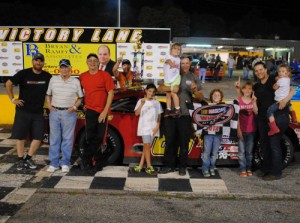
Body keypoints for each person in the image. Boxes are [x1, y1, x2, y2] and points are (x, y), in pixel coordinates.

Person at [5, 53, 52, 170]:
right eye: (36, 60)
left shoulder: (47, 76)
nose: (38, 62)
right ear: (33, 61)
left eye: (41, 61)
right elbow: (8, 83)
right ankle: (20, 159)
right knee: (20, 137)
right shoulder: (24, 73)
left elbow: (52, 91)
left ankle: (28, 158)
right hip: (23, 111)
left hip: (38, 112)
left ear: (43, 63)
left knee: (39, 137)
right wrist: (12, 99)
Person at [159, 55, 204, 176]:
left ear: (190, 64)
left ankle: (182, 166)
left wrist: (194, 90)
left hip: (184, 115)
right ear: (179, 64)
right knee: (169, 141)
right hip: (170, 114)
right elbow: (160, 88)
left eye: (186, 63)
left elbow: (200, 97)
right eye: (182, 63)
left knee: (183, 142)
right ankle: (168, 165)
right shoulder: (171, 73)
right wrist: (171, 87)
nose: (184, 65)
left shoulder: (193, 77)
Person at [252, 61, 295, 181]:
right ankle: (267, 170)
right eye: (256, 70)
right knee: (265, 145)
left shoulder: (275, 79)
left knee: (274, 144)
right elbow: (253, 100)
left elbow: (292, 90)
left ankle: (276, 173)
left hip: (278, 117)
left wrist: (285, 100)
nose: (259, 72)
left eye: (261, 69)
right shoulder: (256, 86)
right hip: (262, 119)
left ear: (266, 69)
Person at [79, 53, 115, 174]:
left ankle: (85, 158)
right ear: (87, 62)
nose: (92, 62)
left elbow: (111, 93)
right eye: (90, 61)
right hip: (89, 111)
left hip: (102, 112)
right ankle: (96, 163)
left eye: (95, 60)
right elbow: (80, 93)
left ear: (98, 62)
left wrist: (105, 111)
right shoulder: (82, 76)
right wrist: (83, 103)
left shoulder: (105, 75)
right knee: (90, 138)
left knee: (100, 138)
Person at [45, 59, 83, 173]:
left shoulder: (75, 81)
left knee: (67, 139)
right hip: (54, 112)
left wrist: (74, 107)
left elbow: (81, 98)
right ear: (59, 68)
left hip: (69, 113)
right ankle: (54, 163)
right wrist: (49, 106)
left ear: (70, 68)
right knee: (54, 138)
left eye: (66, 67)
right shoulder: (53, 80)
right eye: (62, 67)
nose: (64, 69)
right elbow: (48, 94)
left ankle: (65, 162)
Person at [132, 84, 163, 175]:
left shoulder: (156, 103)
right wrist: (142, 104)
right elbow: (136, 113)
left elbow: (159, 115)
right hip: (144, 127)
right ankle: (149, 166)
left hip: (153, 128)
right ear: (146, 91)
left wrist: (157, 125)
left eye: (153, 92)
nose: (151, 93)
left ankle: (140, 165)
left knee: (147, 147)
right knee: (147, 145)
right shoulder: (140, 101)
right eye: (150, 91)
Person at [267, 64, 297, 136]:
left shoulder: (281, 80)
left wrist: (276, 82)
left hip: (280, 101)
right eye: (279, 71)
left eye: (283, 71)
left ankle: (274, 128)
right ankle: (293, 116)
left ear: (287, 73)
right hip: (287, 100)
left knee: (269, 111)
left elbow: (274, 88)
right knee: (289, 104)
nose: (280, 73)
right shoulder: (288, 79)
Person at [236, 81, 257, 177]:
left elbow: (256, 112)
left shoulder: (253, 101)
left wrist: (254, 101)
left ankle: (249, 168)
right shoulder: (238, 100)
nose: (247, 90)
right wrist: (238, 130)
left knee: (249, 152)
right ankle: (242, 169)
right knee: (241, 152)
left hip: (251, 130)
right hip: (242, 130)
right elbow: (236, 117)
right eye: (245, 88)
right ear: (242, 89)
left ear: (252, 90)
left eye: (250, 88)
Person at [201, 89, 224, 177]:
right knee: (206, 152)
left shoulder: (224, 107)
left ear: (221, 97)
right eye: (214, 95)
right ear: (211, 97)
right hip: (208, 133)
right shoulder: (206, 106)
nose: (216, 97)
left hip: (218, 133)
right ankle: (205, 168)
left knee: (214, 153)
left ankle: (212, 167)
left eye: (218, 95)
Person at [163, 43, 181, 117]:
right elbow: (168, 61)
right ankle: (168, 109)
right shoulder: (168, 56)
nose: (177, 50)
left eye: (178, 49)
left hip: (176, 78)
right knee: (168, 95)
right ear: (171, 50)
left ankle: (177, 109)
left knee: (173, 93)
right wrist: (171, 63)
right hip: (167, 79)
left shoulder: (178, 59)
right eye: (175, 48)